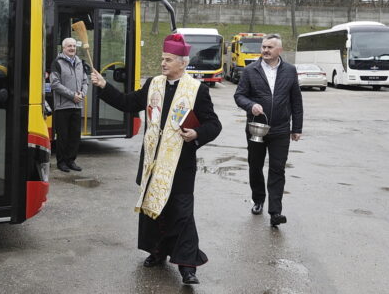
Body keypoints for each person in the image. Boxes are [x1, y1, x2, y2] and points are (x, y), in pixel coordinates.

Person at [90, 33, 222, 285]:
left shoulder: (198, 90)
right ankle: (157, 252)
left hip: (180, 166)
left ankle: (187, 266)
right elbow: (128, 103)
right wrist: (104, 86)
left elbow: (214, 124)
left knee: (182, 214)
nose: (163, 63)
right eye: (162, 58)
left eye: (169, 59)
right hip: (152, 162)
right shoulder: (154, 84)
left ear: (183, 62)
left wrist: (197, 133)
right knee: (154, 211)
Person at [234, 33, 303, 227]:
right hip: (256, 128)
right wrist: (250, 105)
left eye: (269, 47)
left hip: (281, 129)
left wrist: (296, 127)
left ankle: (275, 212)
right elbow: (239, 95)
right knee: (255, 166)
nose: (265, 50)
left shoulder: (290, 71)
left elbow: (296, 101)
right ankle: (258, 199)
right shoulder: (250, 70)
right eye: (263, 47)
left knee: (277, 169)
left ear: (279, 50)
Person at [50, 37, 89, 172]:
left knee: (74, 136)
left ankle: (71, 160)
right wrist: (72, 95)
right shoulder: (57, 63)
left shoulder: (80, 62)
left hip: (77, 106)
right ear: (63, 48)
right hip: (63, 106)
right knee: (63, 136)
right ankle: (61, 162)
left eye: (74, 46)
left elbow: (85, 81)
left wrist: (82, 94)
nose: (72, 48)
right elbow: (55, 84)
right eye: (69, 46)